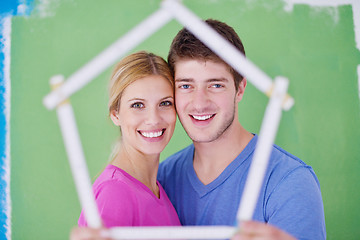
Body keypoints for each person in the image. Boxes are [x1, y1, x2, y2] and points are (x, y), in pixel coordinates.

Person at [157, 19, 326, 239]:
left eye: (216, 85)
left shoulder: (290, 182)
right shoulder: (162, 179)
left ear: (240, 89)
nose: (199, 103)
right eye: (186, 86)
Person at [78, 51, 181, 227]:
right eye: (138, 105)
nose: (154, 119)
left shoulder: (156, 188)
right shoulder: (115, 193)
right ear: (115, 114)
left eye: (165, 103)